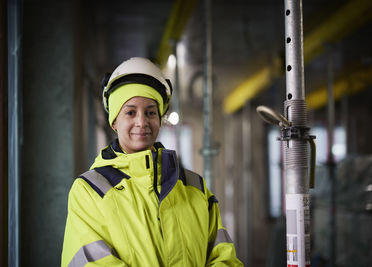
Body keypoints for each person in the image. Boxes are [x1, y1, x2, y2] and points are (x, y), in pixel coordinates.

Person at [61, 57, 243, 266]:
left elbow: (225, 258)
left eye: (150, 112)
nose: (142, 122)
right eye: (130, 112)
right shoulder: (90, 191)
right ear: (114, 122)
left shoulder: (196, 188)